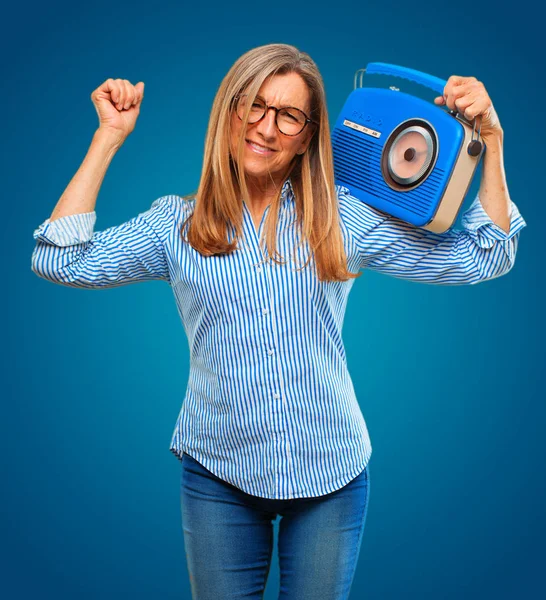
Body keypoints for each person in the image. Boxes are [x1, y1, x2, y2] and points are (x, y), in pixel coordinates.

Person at [31, 43, 526, 599]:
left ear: (309, 135)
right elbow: (60, 259)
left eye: (289, 115)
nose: (266, 128)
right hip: (217, 473)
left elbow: (486, 254)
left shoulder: (344, 217)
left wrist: (495, 138)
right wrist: (109, 137)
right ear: (229, 109)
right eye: (254, 105)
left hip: (331, 474)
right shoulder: (176, 224)